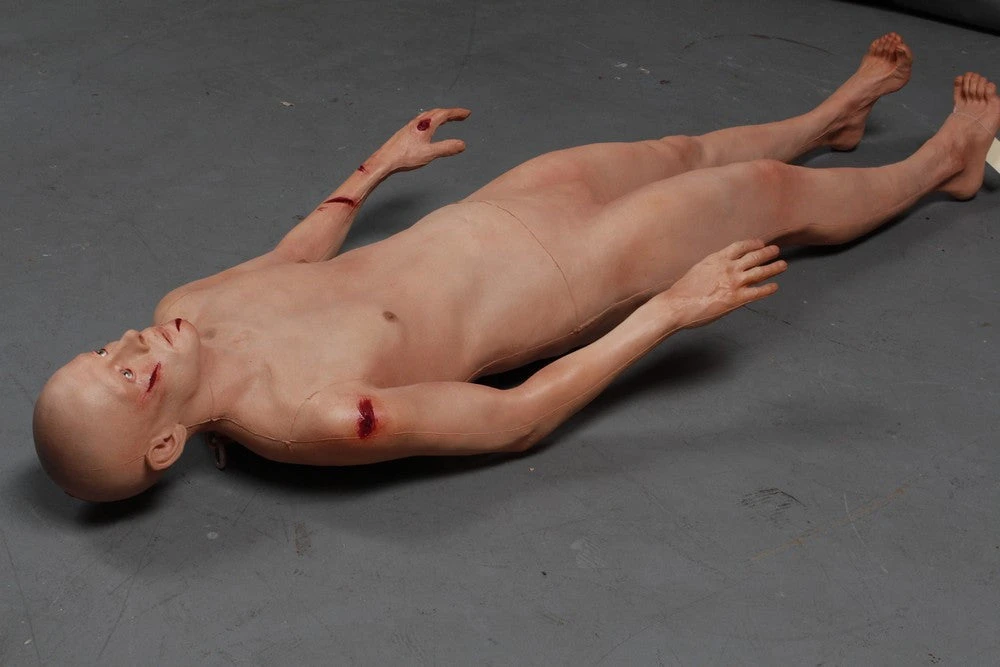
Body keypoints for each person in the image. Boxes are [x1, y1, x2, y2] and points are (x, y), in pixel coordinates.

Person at [33, 34, 998, 502]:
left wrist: (377, 167)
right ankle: (943, 165)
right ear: (165, 444)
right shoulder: (317, 415)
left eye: (102, 348)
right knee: (764, 194)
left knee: (683, 150)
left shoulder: (187, 305)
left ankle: (830, 121)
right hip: (570, 273)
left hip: (498, 208)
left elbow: (292, 257)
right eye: (126, 376)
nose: (129, 343)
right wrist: (668, 307)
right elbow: (516, 417)